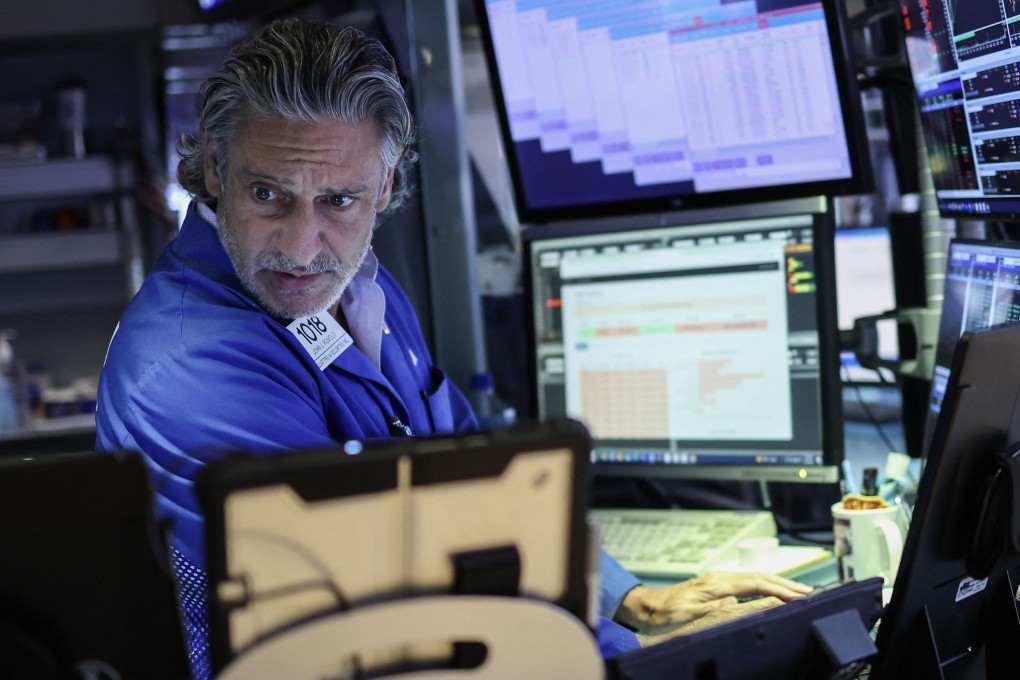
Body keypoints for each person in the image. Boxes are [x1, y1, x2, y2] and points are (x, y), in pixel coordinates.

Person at [95, 17, 810, 678]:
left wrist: (627, 598)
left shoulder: (359, 289)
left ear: (387, 185)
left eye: (338, 200)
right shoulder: (195, 366)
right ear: (216, 167)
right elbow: (390, 599)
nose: (301, 244)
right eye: (268, 194)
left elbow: (469, 475)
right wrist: (633, 654)